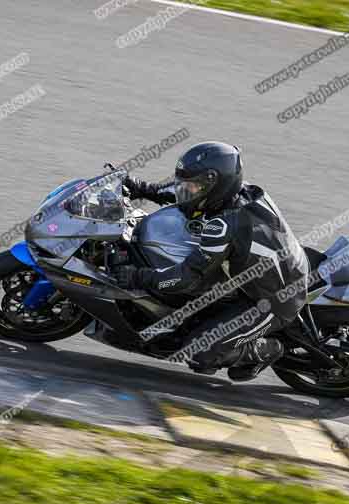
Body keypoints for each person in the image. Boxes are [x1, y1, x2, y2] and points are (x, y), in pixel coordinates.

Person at [112, 141, 309, 381]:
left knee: (199, 352)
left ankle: (268, 350)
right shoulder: (242, 190)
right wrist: (140, 187)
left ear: (215, 184)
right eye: (185, 184)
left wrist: (137, 276)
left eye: (192, 186)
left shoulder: (224, 225)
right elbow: (180, 195)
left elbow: (186, 278)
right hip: (272, 271)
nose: (185, 190)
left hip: (275, 300)